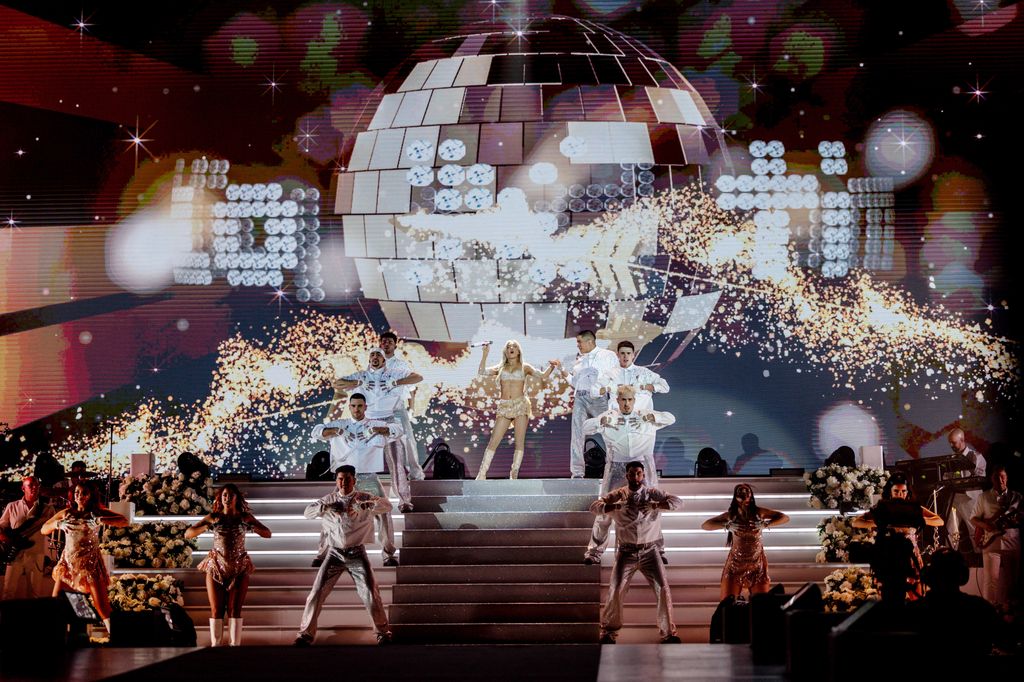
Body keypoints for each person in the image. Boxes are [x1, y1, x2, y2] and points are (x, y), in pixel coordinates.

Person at [294, 465, 393, 646]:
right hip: (334, 554)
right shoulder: (329, 498)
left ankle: (383, 633)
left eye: (347, 479)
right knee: (316, 593)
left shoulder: (363, 497)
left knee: (371, 593)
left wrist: (369, 504)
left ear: (354, 480)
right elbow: (307, 512)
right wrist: (326, 507)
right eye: (340, 479)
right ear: (336, 481)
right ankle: (305, 635)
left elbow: (387, 505)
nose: (343, 483)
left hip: (357, 552)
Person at [581, 385, 675, 565]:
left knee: (651, 509)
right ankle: (594, 552)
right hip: (617, 466)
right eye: (623, 399)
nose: (626, 403)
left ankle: (657, 549)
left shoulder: (643, 415)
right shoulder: (611, 416)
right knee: (605, 510)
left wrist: (652, 416)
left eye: (630, 399)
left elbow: (671, 418)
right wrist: (601, 421)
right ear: (617, 400)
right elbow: (585, 427)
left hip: (643, 465)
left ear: (634, 400)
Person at [591, 460, 683, 644]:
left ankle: (668, 633)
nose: (635, 477)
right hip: (627, 552)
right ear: (627, 475)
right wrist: (614, 507)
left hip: (650, 550)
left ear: (643, 475)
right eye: (632, 473)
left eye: (639, 473)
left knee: (663, 589)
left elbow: (677, 502)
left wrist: (656, 506)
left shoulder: (651, 494)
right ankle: (609, 632)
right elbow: (594, 507)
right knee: (616, 589)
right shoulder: (618, 494)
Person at [311, 392, 403, 566]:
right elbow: (316, 432)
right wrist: (336, 431)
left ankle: (389, 554)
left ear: (365, 407)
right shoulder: (341, 424)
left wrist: (377, 430)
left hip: (369, 477)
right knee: (331, 513)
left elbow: (397, 431)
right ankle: (322, 555)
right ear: (349, 406)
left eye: (360, 406)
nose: (356, 409)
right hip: (345, 479)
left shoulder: (375, 424)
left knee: (383, 512)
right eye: (353, 406)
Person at [334, 347, 422, 512]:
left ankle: (404, 501)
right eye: (372, 354)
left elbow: (417, 377)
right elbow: (337, 383)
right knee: (357, 462)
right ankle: (352, 499)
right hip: (367, 423)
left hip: (388, 422)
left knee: (397, 462)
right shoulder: (362, 375)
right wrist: (358, 383)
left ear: (384, 360)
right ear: (369, 359)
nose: (375, 357)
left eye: (379, 355)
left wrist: (395, 382)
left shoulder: (393, 373)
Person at [186, 484, 272, 647]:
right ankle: (216, 646)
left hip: (239, 567)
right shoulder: (214, 516)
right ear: (220, 498)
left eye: (231, 496)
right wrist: (206, 526)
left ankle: (234, 646)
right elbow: (188, 533)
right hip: (216, 566)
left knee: (234, 610)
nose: (227, 498)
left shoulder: (244, 517)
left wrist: (252, 527)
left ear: (236, 499)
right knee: (217, 610)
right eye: (224, 495)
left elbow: (268, 533)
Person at [41, 481, 129, 635]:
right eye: (76, 492)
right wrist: (58, 524)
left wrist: (101, 520)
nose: (79, 496)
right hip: (68, 564)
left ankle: (117, 639)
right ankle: (66, 637)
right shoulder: (67, 513)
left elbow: (123, 521)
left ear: (90, 495)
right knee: (57, 602)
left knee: (102, 607)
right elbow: (44, 529)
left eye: (83, 493)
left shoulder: (96, 512)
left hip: (89, 564)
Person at [475, 340, 558, 479]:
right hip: (505, 406)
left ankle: (514, 473)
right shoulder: (500, 368)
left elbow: (542, 375)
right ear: (505, 352)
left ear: (518, 351)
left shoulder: (525, 367)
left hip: (520, 405)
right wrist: (485, 354)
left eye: (514, 347)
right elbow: (481, 371)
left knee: (519, 441)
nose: (511, 348)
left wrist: (552, 366)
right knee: (494, 441)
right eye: (508, 347)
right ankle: (482, 473)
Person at [852, 473, 943, 599]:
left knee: (916, 592)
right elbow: (856, 522)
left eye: (903, 491)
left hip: (910, 553)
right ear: (890, 492)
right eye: (896, 491)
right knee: (890, 591)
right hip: (890, 554)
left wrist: (916, 520)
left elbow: (939, 521)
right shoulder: (883, 507)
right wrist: (882, 522)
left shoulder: (913, 508)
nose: (900, 495)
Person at [909, 548, 1011, 656]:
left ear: (929, 575)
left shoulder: (914, 611)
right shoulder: (980, 608)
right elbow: (1007, 642)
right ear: (962, 574)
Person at [701, 483, 789, 600]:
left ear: (751, 495)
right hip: (735, 565)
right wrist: (726, 526)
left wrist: (766, 524)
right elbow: (705, 525)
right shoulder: (731, 515)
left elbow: (785, 517)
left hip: (756, 565)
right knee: (727, 606)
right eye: (740, 492)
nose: (744, 494)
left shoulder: (759, 512)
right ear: (735, 496)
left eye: (747, 491)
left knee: (761, 606)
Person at [562, 329, 618, 479]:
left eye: (579, 342)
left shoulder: (607, 355)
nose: (578, 345)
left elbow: (615, 376)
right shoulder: (579, 361)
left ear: (590, 341)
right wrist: (563, 371)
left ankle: (614, 468)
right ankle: (578, 473)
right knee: (577, 434)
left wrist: (612, 401)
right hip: (581, 397)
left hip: (599, 398)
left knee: (610, 432)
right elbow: (575, 383)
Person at [970, 465, 1021, 614]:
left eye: (1002, 477)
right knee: (990, 580)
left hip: (1012, 541)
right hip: (991, 542)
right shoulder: (983, 497)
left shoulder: (1017, 497)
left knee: (1013, 580)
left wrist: (1016, 520)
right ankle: (988, 610)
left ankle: (1010, 609)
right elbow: (973, 518)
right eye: (996, 477)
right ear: (991, 479)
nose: (1000, 480)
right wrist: (986, 525)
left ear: (1007, 478)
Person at [0, 476, 56, 600]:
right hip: (15, 554)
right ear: (23, 488)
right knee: (8, 592)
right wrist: (8, 542)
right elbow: (1, 527)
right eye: (30, 485)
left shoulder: (47, 509)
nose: (34, 487)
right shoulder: (12, 506)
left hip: (36, 554)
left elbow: (53, 528)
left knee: (34, 593)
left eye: (37, 485)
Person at [380, 331, 426, 482]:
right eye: (383, 341)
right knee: (388, 444)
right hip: (379, 409)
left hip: (397, 408)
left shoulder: (400, 364)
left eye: (389, 342)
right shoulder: (373, 364)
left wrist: (411, 408)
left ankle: (416, 474)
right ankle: (396, 477)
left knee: (407, 440)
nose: (386, 344)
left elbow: (414, 383)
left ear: (394, 345)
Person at [590, 340, 669, 412]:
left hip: (642, 418)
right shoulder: (610, 374)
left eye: (628, 353)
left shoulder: (644, 372)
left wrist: (645, 387)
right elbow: (593, 392)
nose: (625, 356)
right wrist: (608, 388)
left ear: (633, 355)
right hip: (617, 418)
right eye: (622, 353)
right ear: (618, 355)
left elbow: (665, 387)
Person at [947, 427, 987, 549]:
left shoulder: (976, 456)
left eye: (953, 442)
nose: (951, 445)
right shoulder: (951, 458)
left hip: (969, 498)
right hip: (955, 498)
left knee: (974, 529)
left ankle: (980, 557)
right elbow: (946, 476)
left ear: (962, 440)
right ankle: (948, 557)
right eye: (950, 443)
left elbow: (980, 477)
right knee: (950, 530)